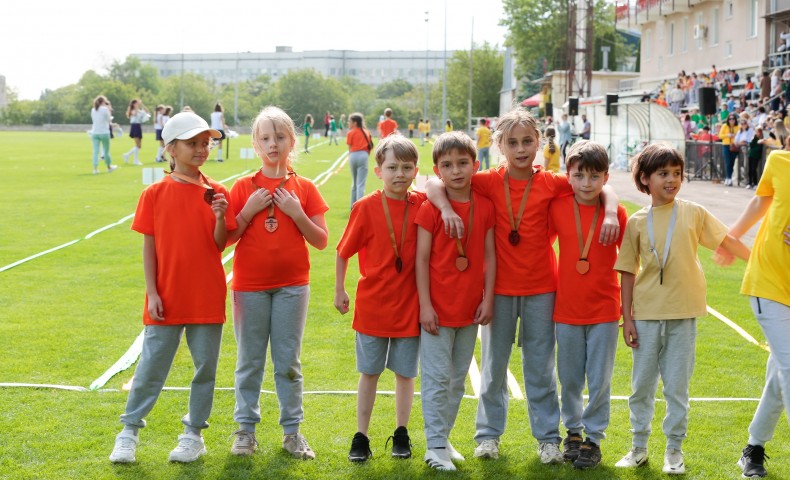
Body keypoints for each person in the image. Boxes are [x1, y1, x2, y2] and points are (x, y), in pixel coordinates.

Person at [424, 107, 621, 464]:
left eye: (527, 141)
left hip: (543, 290)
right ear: (499, 144)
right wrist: (446, 210)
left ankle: (547, 439)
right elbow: (433, 181)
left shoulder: (553, 182)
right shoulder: (485, 180)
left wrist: (608, 212)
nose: (520, 149)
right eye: (511, 142)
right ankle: (488, 436)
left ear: (539, 143)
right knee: (494, 367)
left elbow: (599, 187)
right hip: (497, 291)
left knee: (540, 368)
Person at [614, 143, 749, 475]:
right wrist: (627, 317)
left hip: (684, 314)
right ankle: (639, 446)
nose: (671, 180)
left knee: (677, 387)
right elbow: (628, 271)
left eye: (677, 173)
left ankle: (673, 450)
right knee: (641, 386)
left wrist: (759, 260)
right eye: (663, 174)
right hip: (645, 315)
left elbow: (726, 240)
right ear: (644, 179)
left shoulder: (693, 212)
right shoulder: (636, 221)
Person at [108, 112, 234, 464]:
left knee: (204, 369)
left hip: (206, 296)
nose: (201, 149)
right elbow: (149, 246)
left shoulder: (217, 192)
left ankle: (193, 434)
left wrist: (222, 216)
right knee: (151, 367)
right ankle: (129, 431)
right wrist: (152, 291)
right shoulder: (154, 193)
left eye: (205, 143)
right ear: (171, 148)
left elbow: (219, 245)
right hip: (165, 296)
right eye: (192, 143)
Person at [226, 106, 329, 460]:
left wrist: (297, 212)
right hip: (249, 286)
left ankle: (292, 432)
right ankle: (245, 431)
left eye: (280, 137)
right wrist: (248, 210)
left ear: (292, 142)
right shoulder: (243, 187)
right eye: (266, 138)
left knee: (288, 361)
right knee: (249, 360)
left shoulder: (305, 188)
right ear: (256, 144)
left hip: (292, 286)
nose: (273, 144)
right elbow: (226, 238)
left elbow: (320, 240)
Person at [334, 134, 425, 463]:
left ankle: (402, 432)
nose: (399, 174)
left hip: (409, 306)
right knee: (369, 372)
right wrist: (339, 289)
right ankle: (362, 435)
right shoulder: (366, 206)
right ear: (377, 171)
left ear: (416, 170)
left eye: (406, 167)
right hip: (372, 306)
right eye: (392, 167)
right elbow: (343, 252)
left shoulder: (423, 204)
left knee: (405, 374)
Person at [415, 131, 496, 471]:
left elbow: (490, 257)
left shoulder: (486, 206)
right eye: (447, 165)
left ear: (476, 164)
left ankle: (443, 438)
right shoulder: (429, 208)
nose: (457, 170)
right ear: (437, 170)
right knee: (435, 380)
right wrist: (425, 306)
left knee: (457, 380)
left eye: (463, 163)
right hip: (437, 310)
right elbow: (421, 260)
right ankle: (433, 447)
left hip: (469, 310)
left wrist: (488, 299)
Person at [549, 140, 627, 470]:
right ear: (568, 175)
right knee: (568, 378)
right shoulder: (558, 206)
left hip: (605, 310)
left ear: (606, 178)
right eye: (579, 176)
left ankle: (594, 438)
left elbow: (630, 262)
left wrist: (610, 210)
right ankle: (573, 433)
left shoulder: (617, 213)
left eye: (594, 177)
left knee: (599, 379)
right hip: (566, 308)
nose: (586, 184)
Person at [723, 149, 790, 479]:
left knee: (780, 375)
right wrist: (731, 235)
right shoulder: (779, 161)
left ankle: (754, 448)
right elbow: (760, 201)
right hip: (768, 282)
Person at [346, 112, 374, 207]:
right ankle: (359, 206)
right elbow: (370, 145)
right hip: (363, 155)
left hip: (353, 155)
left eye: (349, 121)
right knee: (360, 183)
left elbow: (349, 147)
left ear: (355, 122)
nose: (348, 123)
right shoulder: (366, 132)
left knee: (354, 182)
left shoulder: (351, 132)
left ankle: (352, 206)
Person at [89, 95, 118, 174]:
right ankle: (109, 167)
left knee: (95, 151)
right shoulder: (105, 109)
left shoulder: (93, 110)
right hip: (104, 132)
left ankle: (95, 169)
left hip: (95, 132)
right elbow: (108, 120)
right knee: (106, 151)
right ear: (103, 102)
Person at [122, 99, 150, 166]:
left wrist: (142, 104)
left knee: (139, 146)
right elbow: (135, 113)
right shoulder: (132, 111)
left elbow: (147, 111)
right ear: (134, 104)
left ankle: (127, 155)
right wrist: (137, 107)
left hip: (138, 126)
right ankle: (135, 160)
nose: (138, 104)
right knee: (137, 145)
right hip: (134, 126)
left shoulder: (139, 110)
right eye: (137, 103)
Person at [719, 114, 740, 186]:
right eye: (730, 119)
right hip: (726, 145)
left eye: (733, 119)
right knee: (727, 161)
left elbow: (740, 135)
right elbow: (720, 136)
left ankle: (729, 177)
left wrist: (734, 135)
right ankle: (728, 178)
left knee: (732, 162)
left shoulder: (738, 127)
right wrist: (727, 135)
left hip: (734, 145)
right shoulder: (724, 126)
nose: (731, 120)